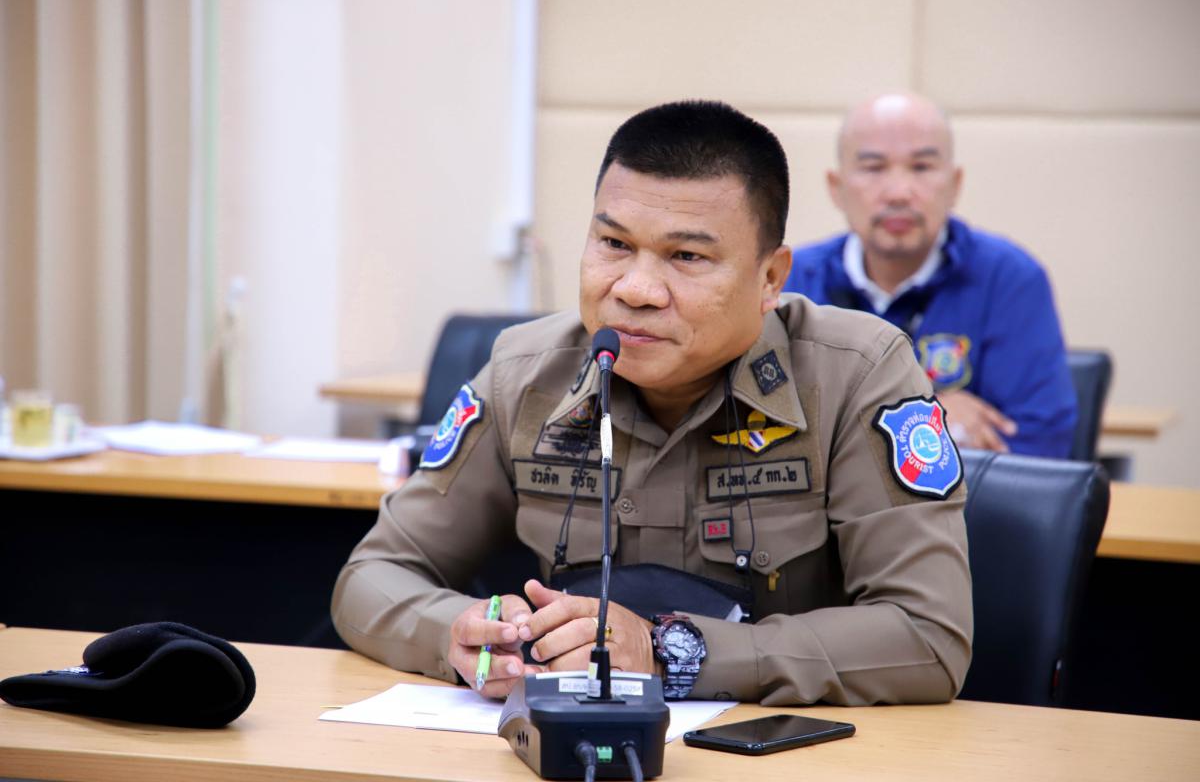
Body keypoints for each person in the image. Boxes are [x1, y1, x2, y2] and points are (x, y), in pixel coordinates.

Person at [332, 100, 972, 707]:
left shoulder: (856, 375)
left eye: (686, 256)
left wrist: (671, 654)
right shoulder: (523, 375)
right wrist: (460, 633)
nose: (635, 289)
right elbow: (373, 574)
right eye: (613, 244)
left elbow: (928, 636)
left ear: (770, 278)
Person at [784, 93, 1077, 457]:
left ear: (954, 185)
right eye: (873, 168)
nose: (899, 193)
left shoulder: (1010, 279)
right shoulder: (790, 282)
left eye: (921, 167)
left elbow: (1039, 444)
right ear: (836, 188)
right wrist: (926, 416)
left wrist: (845, 431)